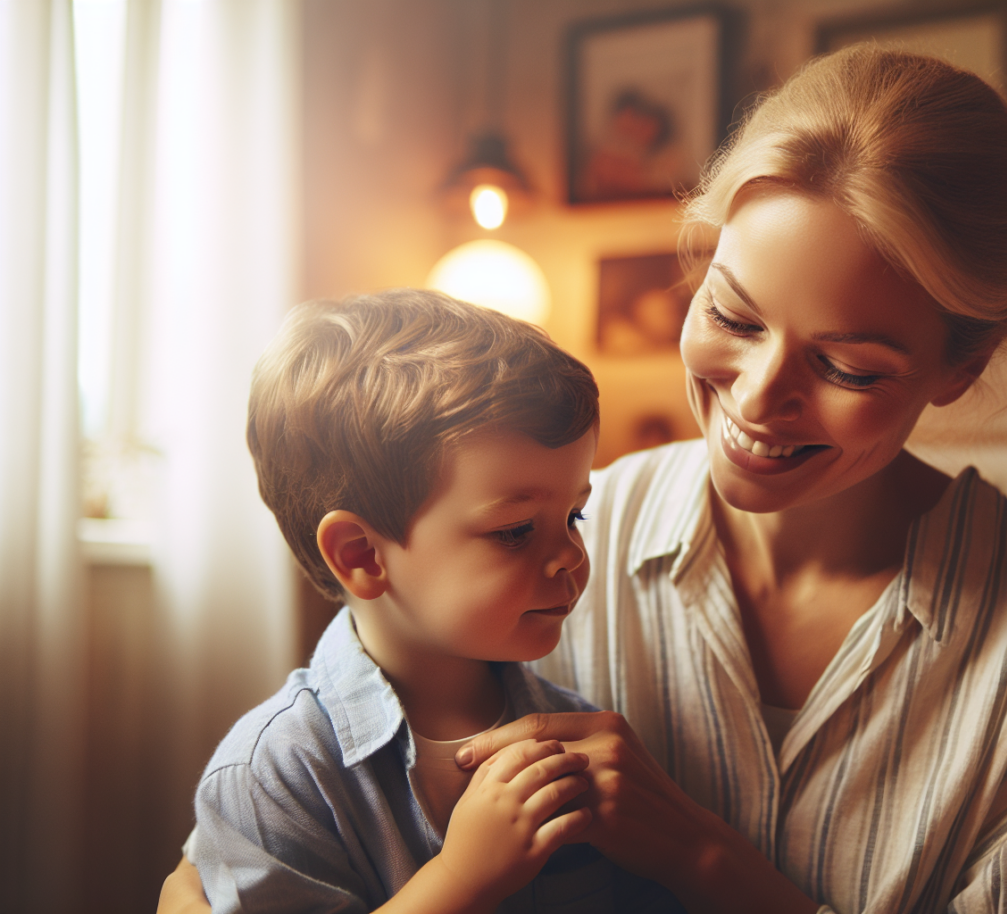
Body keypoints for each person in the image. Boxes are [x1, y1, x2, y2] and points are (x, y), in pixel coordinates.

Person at [162, 46, 1007, 914]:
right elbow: (239, 855)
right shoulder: (572, 533)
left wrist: (704, 860)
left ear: (959, 369)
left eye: (849, 368)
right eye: (736, 317)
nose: (757, 398)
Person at [187, 290, 680, 913]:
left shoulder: (581, 738)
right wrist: (461, 879)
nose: (571, 557)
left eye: (574, 514)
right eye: (516, 530)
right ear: (363, 555)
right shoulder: (278, 774)